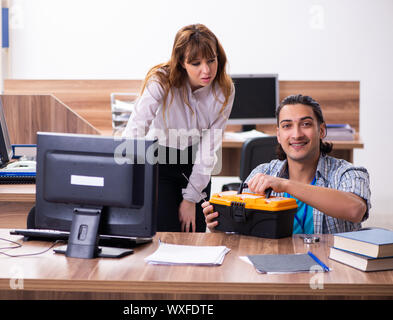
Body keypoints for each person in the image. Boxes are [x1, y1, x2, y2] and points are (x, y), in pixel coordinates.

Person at [202, 94, 371, 234]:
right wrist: (221, 226)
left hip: (332, 269)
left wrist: (285, 185)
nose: (296, 134)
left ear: (321, 130)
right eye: (287, 126)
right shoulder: (262, 173)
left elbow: (355, 210)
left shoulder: (349, 173)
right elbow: (242, 232)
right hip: (275, 267)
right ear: (278, 135)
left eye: (306, 124)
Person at [123, 24, 235, 232]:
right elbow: (135, 130)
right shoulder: (161, 80)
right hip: (160, 160)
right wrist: (129, 179)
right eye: (196, 63)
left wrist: (191, 199)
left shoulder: (224, 89)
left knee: (194, 233)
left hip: (196, 163)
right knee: (164, 232)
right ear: (182, 62)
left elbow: (209, 149)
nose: (206, 70)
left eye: (211, 60)